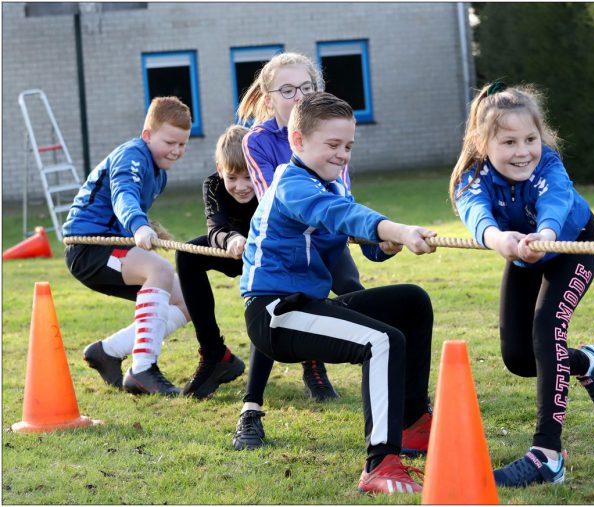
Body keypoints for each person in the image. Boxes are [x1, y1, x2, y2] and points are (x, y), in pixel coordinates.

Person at [239, 92, 436, 494]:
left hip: (308, 305)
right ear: (298, 141)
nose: (342, 154)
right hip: (274, 314)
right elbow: (338, 215)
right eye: (332, 144)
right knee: (382, 341)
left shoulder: (329, 187)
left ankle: (413, 424)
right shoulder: (291, 184)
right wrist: (397, 229)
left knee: (412, 301)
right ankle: (380, 464)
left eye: (348, 146)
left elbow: (343, 237)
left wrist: (384, 245)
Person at [449, 82, 594, 487]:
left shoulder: (548, 165)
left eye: (530, 139)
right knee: (519, 357)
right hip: (519, 250)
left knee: (548, 328)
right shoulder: (473, 176)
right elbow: (474, 211)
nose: (523, 151)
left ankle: (548, 454)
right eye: (508, 142)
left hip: (572, 243)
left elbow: (556, 202)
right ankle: (588, 362)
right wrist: (497, 239)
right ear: (483, 143)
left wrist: (545, 235)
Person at [235, 53, 354, 418]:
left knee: (352, 289)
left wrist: (363, 229)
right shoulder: (257, 140)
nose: (299, 96)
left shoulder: (329, 130)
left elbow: (341, 190)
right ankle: (253, 404)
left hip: (326, 233)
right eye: (287, 90)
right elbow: (271, 196)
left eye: (306, 87)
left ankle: (377, 364)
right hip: (284, 239)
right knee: (276, 302)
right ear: (269, 99)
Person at [63, 96, 192, 396]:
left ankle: (107, 352)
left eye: (182, 144)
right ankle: (143, 370)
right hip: (88, 249)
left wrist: (148, 228)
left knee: (187, 299)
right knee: (160, 270)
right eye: (169, 142)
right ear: (147, 135)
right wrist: (138, 225)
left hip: (113, 249)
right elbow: (124, 194)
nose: (176, 150)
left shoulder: (159, 174)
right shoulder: (132, 155)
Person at [174, 125, 252, 399]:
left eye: (248, 176)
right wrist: (232, 239)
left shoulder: (271, 180)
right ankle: (214, 354)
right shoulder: (213, 185)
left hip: (270, 252)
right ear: (220, 169)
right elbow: (215, 228)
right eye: (232, 177)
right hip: (232, 249)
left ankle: (312, 364)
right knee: (186, 255)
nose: (241, 186)